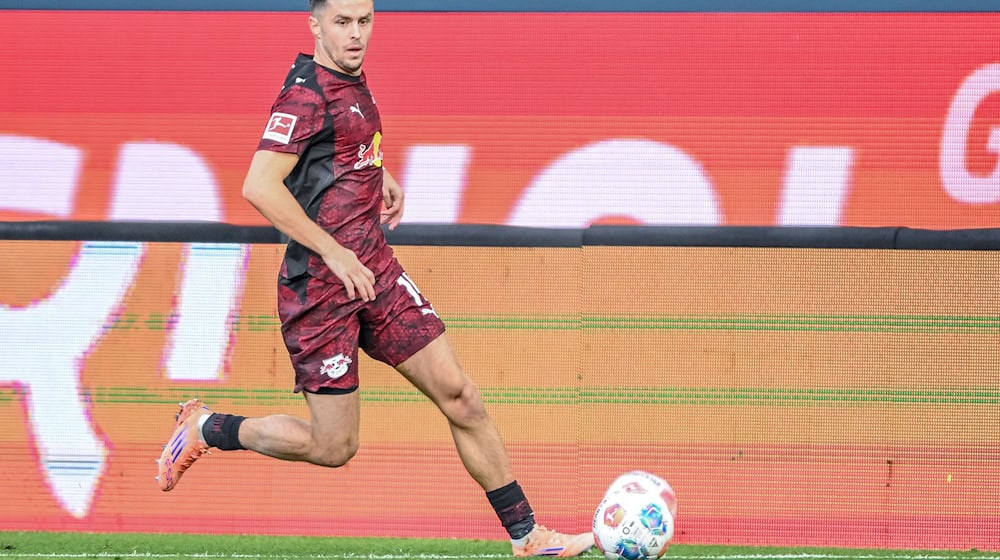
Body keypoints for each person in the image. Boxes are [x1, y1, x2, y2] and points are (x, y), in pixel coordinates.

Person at [156, 0, 593, 557]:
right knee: (334, 446)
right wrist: (335, 252)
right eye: (342, 22)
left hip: (376, 271)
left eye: (364, 21)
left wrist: (373, 169)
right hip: (320, 288)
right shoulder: (304, 95)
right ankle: (205, 427)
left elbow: (332, 149)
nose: (356, 33)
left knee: (462, 397)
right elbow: (259, 186)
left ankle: (528, 536)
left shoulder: (351, 79)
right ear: (315, 25)